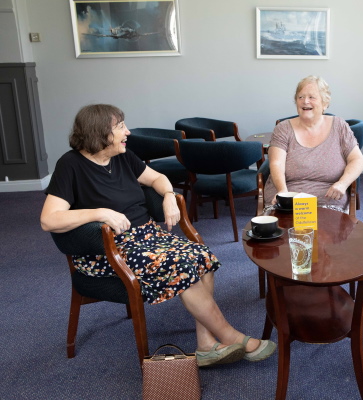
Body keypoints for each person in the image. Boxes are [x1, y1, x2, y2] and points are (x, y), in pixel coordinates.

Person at [40, 104, 276, 367]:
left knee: (202, 256)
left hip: (148, 235)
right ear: (100, 134)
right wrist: (100, 213)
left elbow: (157, 178)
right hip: (108, 249)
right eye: (120, 127)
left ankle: (206, 344)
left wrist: (168, 197)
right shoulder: (70, 165)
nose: (127, 132)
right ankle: (230, 336)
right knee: (182, 264)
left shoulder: (122, 156)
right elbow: (49, 219)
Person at [264, 75, 363, 211]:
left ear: (325, 103)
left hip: (329, 199)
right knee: (283, 231)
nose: (305, 101)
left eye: (312, 97)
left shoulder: (339, 126)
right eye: (301, 97)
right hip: (289, 199)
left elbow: (357, 159)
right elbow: (276, 163)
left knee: (329, 231)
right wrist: (283, 192)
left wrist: (342, 184)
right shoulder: (283, 128)